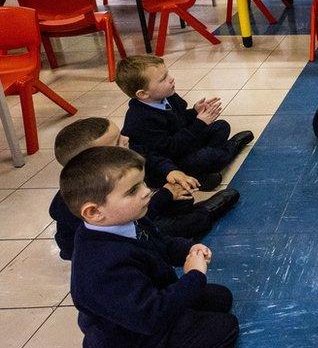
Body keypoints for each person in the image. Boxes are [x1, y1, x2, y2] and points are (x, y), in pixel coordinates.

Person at [64, 146, 239, 348]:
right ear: (94, 212)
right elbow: (150, 317)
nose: (147, 192)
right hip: (136, 335)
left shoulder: (127, 219)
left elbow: (161, 243)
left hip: (152, 298)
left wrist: (188, 249)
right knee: (225, 327)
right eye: (132, 191)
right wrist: (193, 276)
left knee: (221, 298)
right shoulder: (103, 267)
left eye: (143, 183)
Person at [49, 117, 239, 261]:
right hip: (126, 235)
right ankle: (206, 212)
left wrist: (170, 172)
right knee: (187, 222)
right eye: (117, 142)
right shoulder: (73, 205)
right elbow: (134, 219)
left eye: (121, 134)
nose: (126, 139)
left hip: (135, 216)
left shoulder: (118, 165)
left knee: (183, 198)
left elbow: (151, 157)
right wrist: (165, 194)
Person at [117, 55, 254, 191]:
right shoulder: (141, 119)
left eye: (167, 74)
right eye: (163, 79)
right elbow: (169, 149)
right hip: (168, 163)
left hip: (183, 145)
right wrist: (199, 124)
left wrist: (195, 112)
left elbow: (180, 120)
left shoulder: (167, 96)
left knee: (221, 126)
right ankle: (230, 149)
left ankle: (210, 164)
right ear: (143, 94)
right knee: (207, 156)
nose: (171, 79)